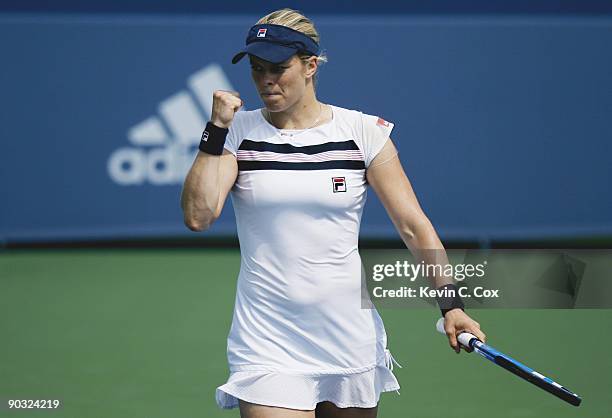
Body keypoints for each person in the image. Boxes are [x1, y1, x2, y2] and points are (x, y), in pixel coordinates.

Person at [181, 8, 486, 418]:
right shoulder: (238, 132)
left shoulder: (363, 132)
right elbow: (199, 216)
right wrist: (214, 130)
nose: (265, 80)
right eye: (256, 69)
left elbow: (414, 227)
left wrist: (452, 305)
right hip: (267, 340)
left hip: (347, 337)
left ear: (310, 66)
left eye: (278, 67)